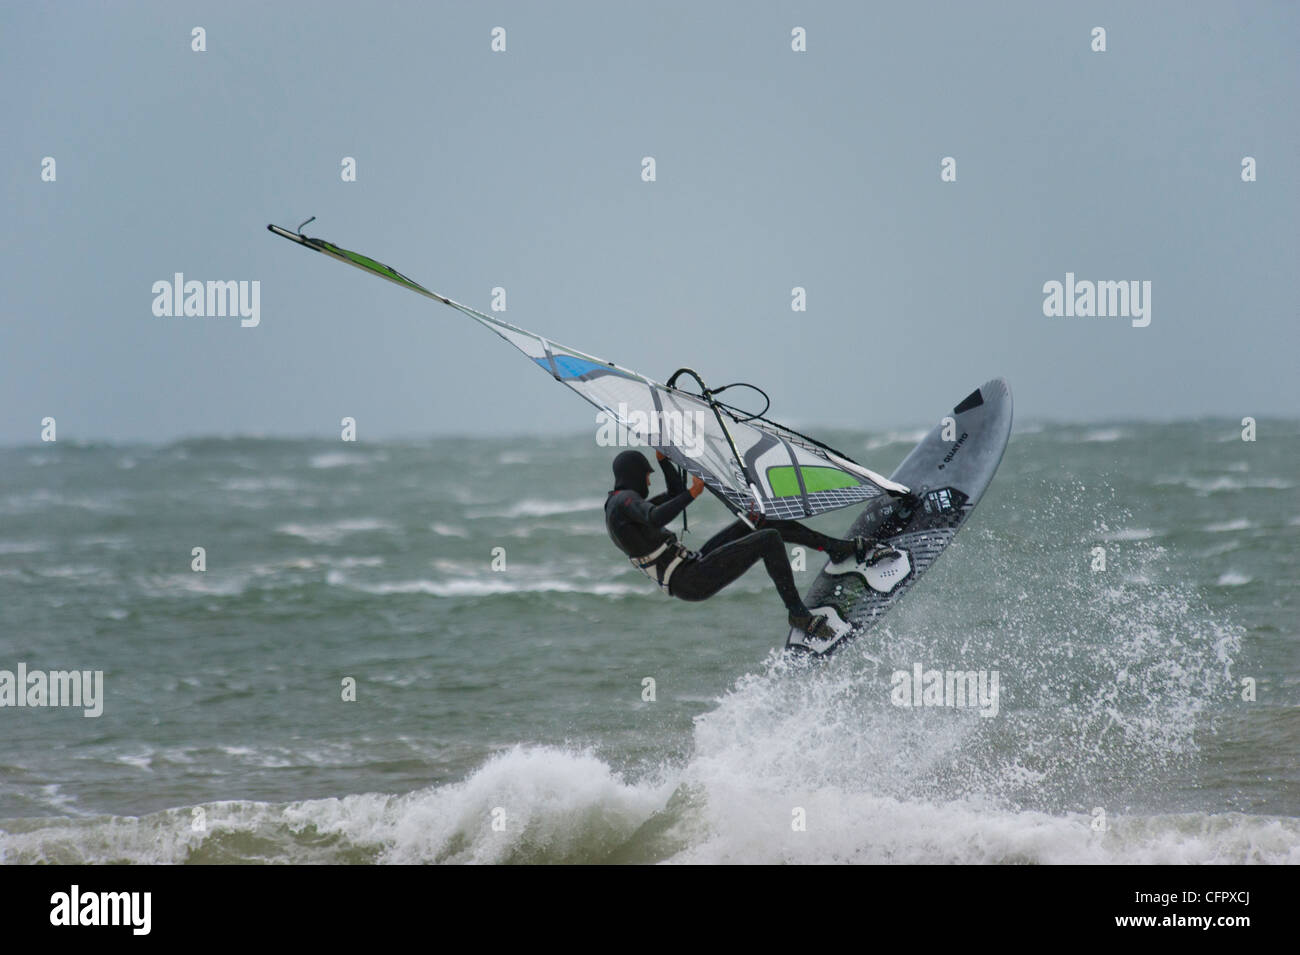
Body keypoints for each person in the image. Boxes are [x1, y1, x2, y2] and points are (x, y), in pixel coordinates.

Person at [603, 449, 887, 638]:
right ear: (635, 475)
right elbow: (655, 517)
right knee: (769, 540)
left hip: (692, 565)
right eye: (648, 476)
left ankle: (838, 550)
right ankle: (798, 614)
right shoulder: (624, 501)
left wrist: (665, 462)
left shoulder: (620, 506)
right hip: (690, 578)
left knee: (763, 521)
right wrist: (693, 494)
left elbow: (671, 495)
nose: (649, 484)